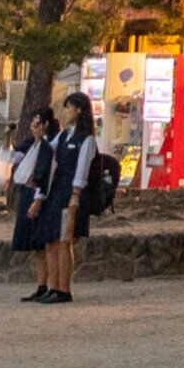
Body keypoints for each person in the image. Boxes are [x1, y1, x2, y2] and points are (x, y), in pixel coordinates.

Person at [37, 92, 104, 302]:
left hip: (71, 192)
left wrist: (76, 194)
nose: (66, 112)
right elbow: (49, 150)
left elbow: (82, 168)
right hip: (57, 189)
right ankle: (54, 285)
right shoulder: (65, 135)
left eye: (69, 107)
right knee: (53, 240)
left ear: (79, 109)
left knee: (65, 239)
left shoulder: (87, 139)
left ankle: (64, 289)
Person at [5, 106, 64, 298]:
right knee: (36, 245)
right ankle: (41, 285)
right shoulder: (32, 144)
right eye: (33, 122)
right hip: (28, 192)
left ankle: (51, 286)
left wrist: (38, 200)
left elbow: (45, 175)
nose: (34, 126)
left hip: (39, 195)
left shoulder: (49, 146)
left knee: (44, 242)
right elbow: (12, 158)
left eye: (37, 122)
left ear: (45, 124)